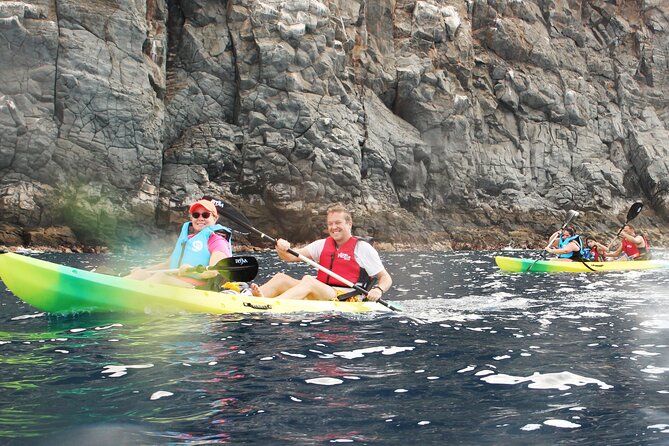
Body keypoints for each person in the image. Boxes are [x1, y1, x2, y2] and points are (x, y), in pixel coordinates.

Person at [250, 203, 392, 301]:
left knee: (309, 281)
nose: (333, 227)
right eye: (330, 224)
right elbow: (288, 257)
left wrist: (378, 290)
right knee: (281, 278)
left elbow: (385, 278)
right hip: (323, 290)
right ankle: (248, 299)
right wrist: (281, 247)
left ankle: (272, 304)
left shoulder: (362, 248)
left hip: (346, 296)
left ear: (349, 224)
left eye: (338, 223)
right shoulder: (322, 244)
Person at [126, 199, 232, 288]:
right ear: (191, 218)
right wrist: (145, 271)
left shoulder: (218, 241)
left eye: (205, 214)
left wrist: (193, 271)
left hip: (201, 288)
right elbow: (168, 264)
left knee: (161, 278)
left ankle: (129, 297)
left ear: (215, 218)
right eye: (196, 215)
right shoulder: (188, 239)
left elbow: (215, 271)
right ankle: (116, 290)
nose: (200, 218)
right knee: (139, 275)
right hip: (179, 281)